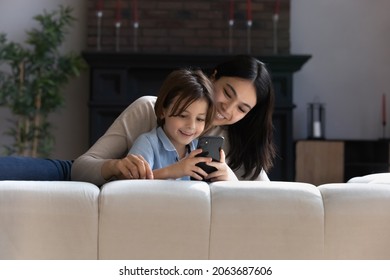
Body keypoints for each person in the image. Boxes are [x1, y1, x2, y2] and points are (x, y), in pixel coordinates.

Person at [71, 55, 276, 186]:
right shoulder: (147, 110)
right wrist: (116, 167)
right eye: (227, 93)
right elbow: (80, 168)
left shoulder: (232, 142)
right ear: (213, 77)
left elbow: (270, 199)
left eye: (242, 108)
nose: (227, 109)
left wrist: (230, 181)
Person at [128, 68, 224, 181]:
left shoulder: (198, 149)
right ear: (163, 111)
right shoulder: (147, 143)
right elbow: (132, 185)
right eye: (183, 116)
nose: (191, 126)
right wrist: (173, 171)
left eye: (200, 119)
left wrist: (220, 176)